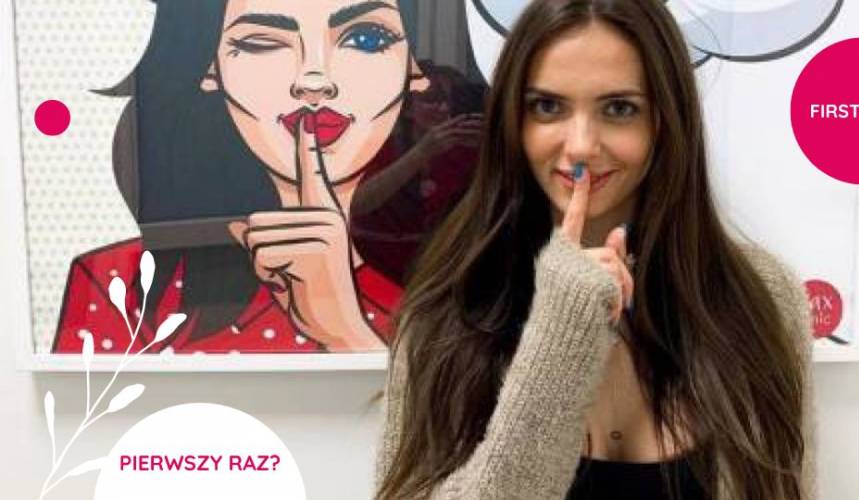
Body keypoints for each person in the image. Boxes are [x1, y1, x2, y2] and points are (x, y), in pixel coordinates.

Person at [374, 0, 815, 499]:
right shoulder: (446, 311)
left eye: (619, 108)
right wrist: (560, 336)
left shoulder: (763, 298)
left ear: (665, 121)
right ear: (512, 122)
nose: (581, 145)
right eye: (548, 107)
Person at [51, 0, 486, 354]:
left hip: (434, 288)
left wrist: (345, 330)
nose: (313, 80)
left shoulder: (463, 151)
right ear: (214, 74)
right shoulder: (101, 284)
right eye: (263, 43)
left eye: (364, 39)